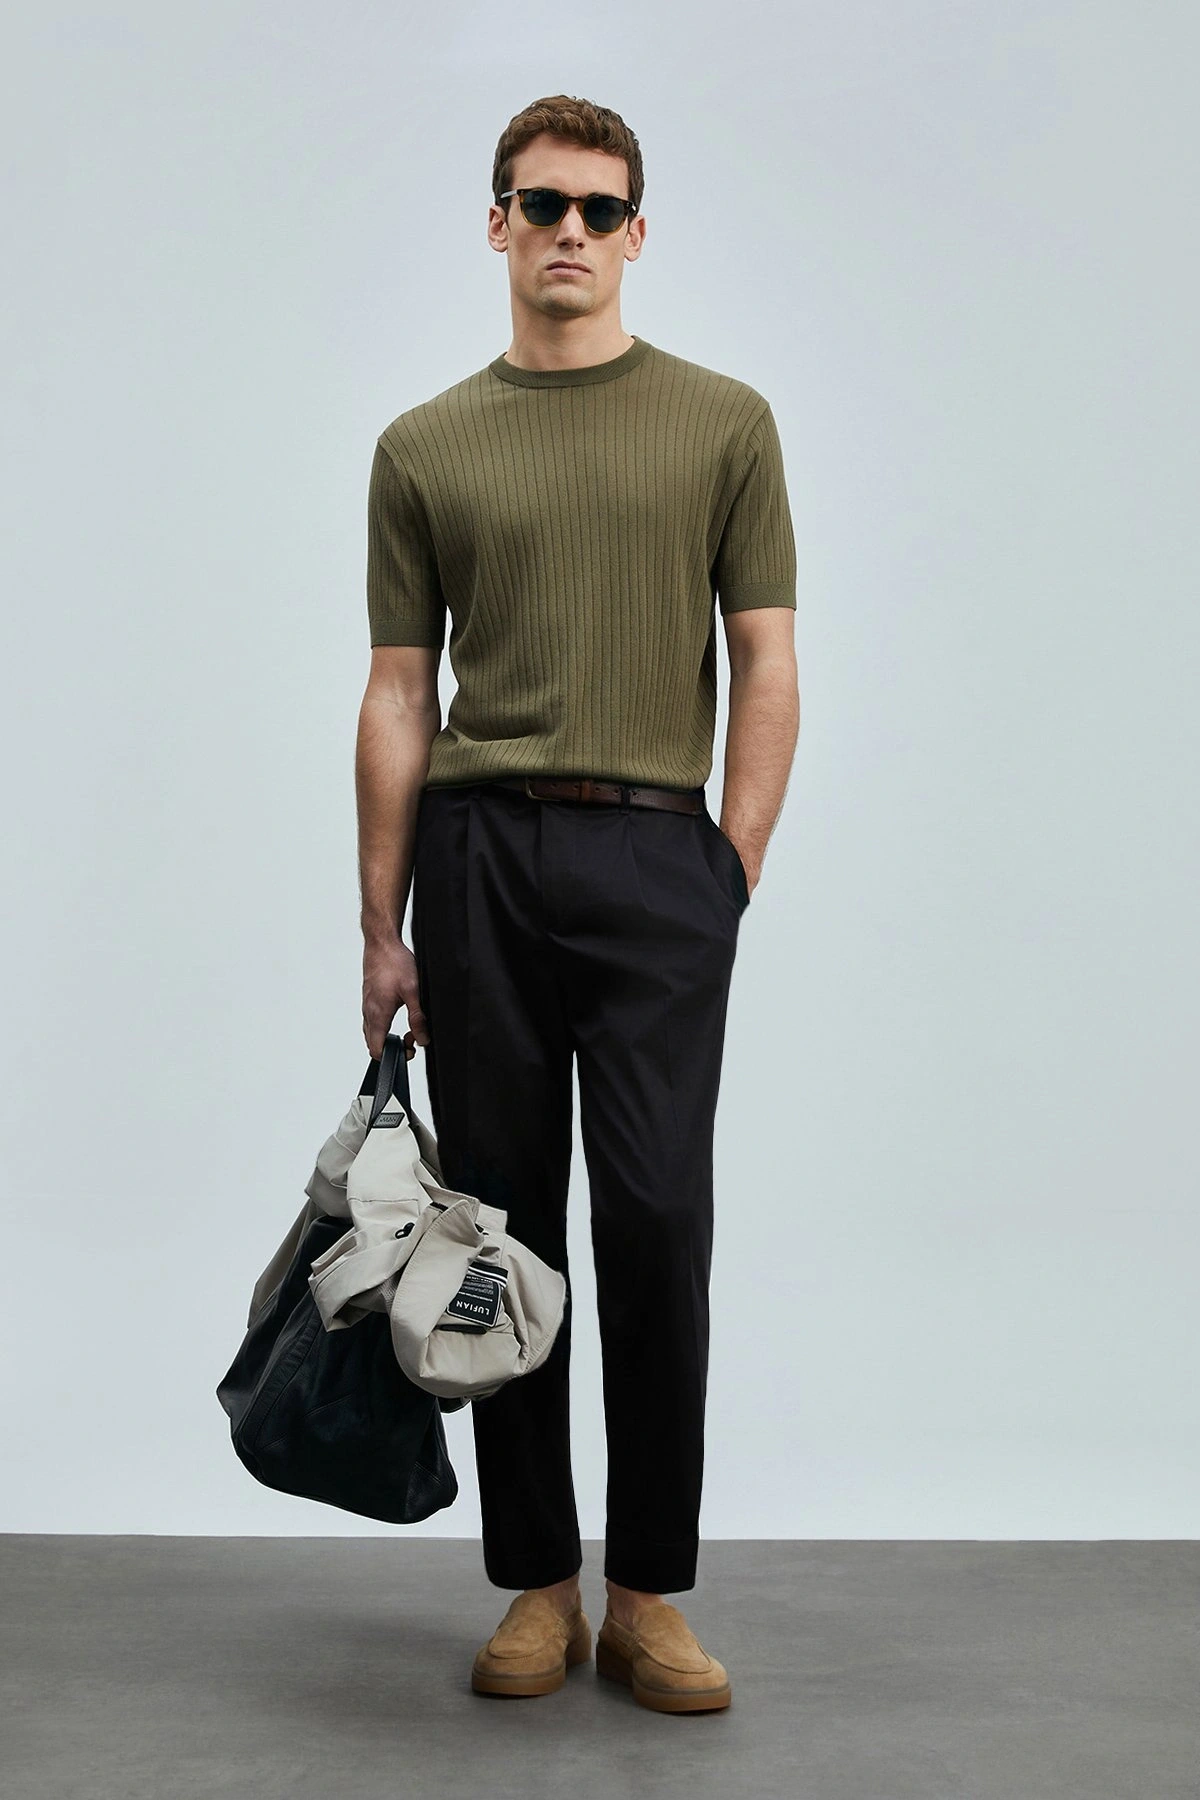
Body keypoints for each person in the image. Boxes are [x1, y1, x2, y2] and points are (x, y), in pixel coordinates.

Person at [355, 93, 799, 1713]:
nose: (568, 232)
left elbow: (767, 659)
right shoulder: (424, 445)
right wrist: (382, 922)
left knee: (659, 1221)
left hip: (658, 857)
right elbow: (399, 692)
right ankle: (539, 1585)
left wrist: (728, 866)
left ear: (635, 234)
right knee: (500, 1228)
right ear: (497, 223)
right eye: (540, 205)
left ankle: (652, 1592)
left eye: (599, 210)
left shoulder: (724, 423)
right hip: (479, 860)